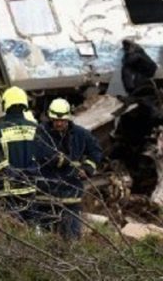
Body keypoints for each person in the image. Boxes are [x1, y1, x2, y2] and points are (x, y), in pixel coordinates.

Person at [38, 98, 103, 240]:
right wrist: (62, 160)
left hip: (71, 194)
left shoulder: (81, 134)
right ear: (50, 118)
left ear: (68, 118)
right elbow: (40, 153)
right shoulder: (41, 133)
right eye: (55, 120)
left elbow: (96, 152)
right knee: (46, 238)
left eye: (62, 120)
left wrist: (87, 168)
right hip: (45, 195)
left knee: (72, 237)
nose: (59, 123)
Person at [0, 86, 47, 224]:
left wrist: (8, 169)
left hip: (8, 189)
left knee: (11, 228)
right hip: (31, 186)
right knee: (31, 226)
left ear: (5, 104)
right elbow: (44, 154)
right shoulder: (36, 128)